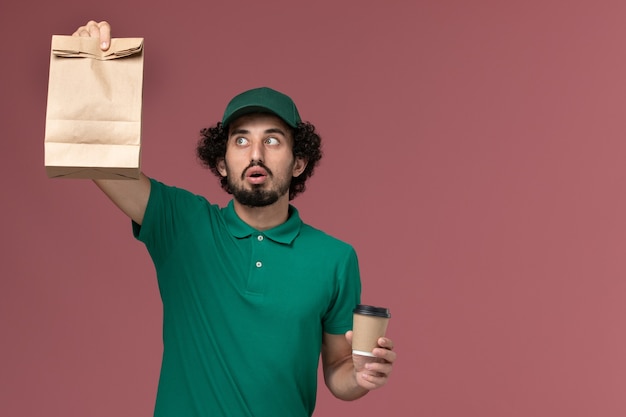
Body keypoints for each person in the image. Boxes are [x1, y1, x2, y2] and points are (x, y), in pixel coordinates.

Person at [71, 20, 396, 417]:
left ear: (299, 163)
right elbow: (94, 160)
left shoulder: (336, 258)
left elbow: (337, 369)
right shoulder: (182, 225)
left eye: (272, 140)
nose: (255, 153)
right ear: (222, 163)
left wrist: (361, 376)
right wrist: (85, 67)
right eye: (240, 140)